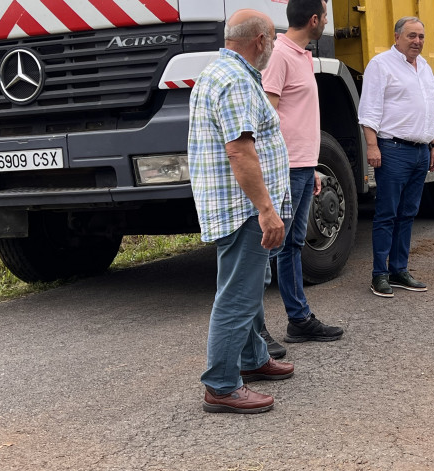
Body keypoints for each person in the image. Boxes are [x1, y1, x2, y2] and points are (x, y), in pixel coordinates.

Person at [188, 9, 295, 414]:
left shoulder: (218, 73)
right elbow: (239, 149)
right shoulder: (236, 81)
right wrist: (266, 209)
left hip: (236, 204)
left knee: (247, 284)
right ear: (262, 41)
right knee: (238, 294)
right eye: (272, 40)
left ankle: (251, 360)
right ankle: (221, 384)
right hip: (244, 208)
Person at [260, 0, 344, 353]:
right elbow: (267, 115)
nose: (326, 22)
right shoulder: (279, 55)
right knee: (265, 249)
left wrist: (311, 168)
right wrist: (281, 168)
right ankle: (256, 330)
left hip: (301, 166)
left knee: (292, 245)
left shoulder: (300, 55)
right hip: (285, 168)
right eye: (324, 16)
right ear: (314, 20)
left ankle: (298, 320)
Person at [357, 16, 434, 298]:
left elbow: (430, 109)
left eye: (421, 36)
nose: (417, 41)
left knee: (408, 214)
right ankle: (379, 274)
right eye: (411, 36)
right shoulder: (381, 65)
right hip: (392, 150)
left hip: (420, 151)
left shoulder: (425, 67)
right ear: (396, 37)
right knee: (386, 215)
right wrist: (372, 146)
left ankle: (400, 270)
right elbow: (369, 110)